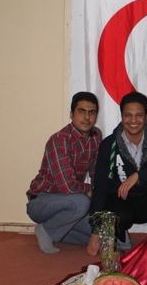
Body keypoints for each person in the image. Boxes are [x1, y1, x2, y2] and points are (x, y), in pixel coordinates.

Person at [88, 91, 147, 256]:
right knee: (117, 211)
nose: (133, 121)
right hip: (122, 203)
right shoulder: (108, 144)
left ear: (146, 117)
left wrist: (140, 175)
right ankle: (118, 234)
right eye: (128, 115)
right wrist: (96, 230)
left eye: (139, 115)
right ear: (121, 117)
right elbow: (101, 188)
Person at [27, 92, 102, 254]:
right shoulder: (59, 140)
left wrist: (99, 196)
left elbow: (96, 173)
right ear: (71, 114)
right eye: (81, 111)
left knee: (106, 235)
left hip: (69, 205)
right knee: (82, 202)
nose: (87, 117)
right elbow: (67, 187)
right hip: (41, 201)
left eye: (91, 112)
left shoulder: (96, 136)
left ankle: (54, 228)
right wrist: (89, 189)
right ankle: (45, 230)